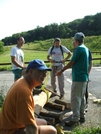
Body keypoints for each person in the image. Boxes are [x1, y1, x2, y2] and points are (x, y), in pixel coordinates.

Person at [0, 59, 57, 134]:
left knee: (44, 122)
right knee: (52, 130)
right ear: (31, 71)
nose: (45, 74)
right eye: (41, 71)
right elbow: (31, 127)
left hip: (13, 123)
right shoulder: (23, 91)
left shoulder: (22, 81)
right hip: (10, 131)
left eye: (45, 72)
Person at [56, 32, 90, 126]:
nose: (73, 42)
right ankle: (81, 116)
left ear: (76, 41)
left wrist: (61, 70)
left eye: (73, 40)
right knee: (81, 98)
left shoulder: (78, 49)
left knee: (75, 99)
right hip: (84, 77)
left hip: (78, 78)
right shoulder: (85, 48)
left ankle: (75, 120)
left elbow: (71, 62)